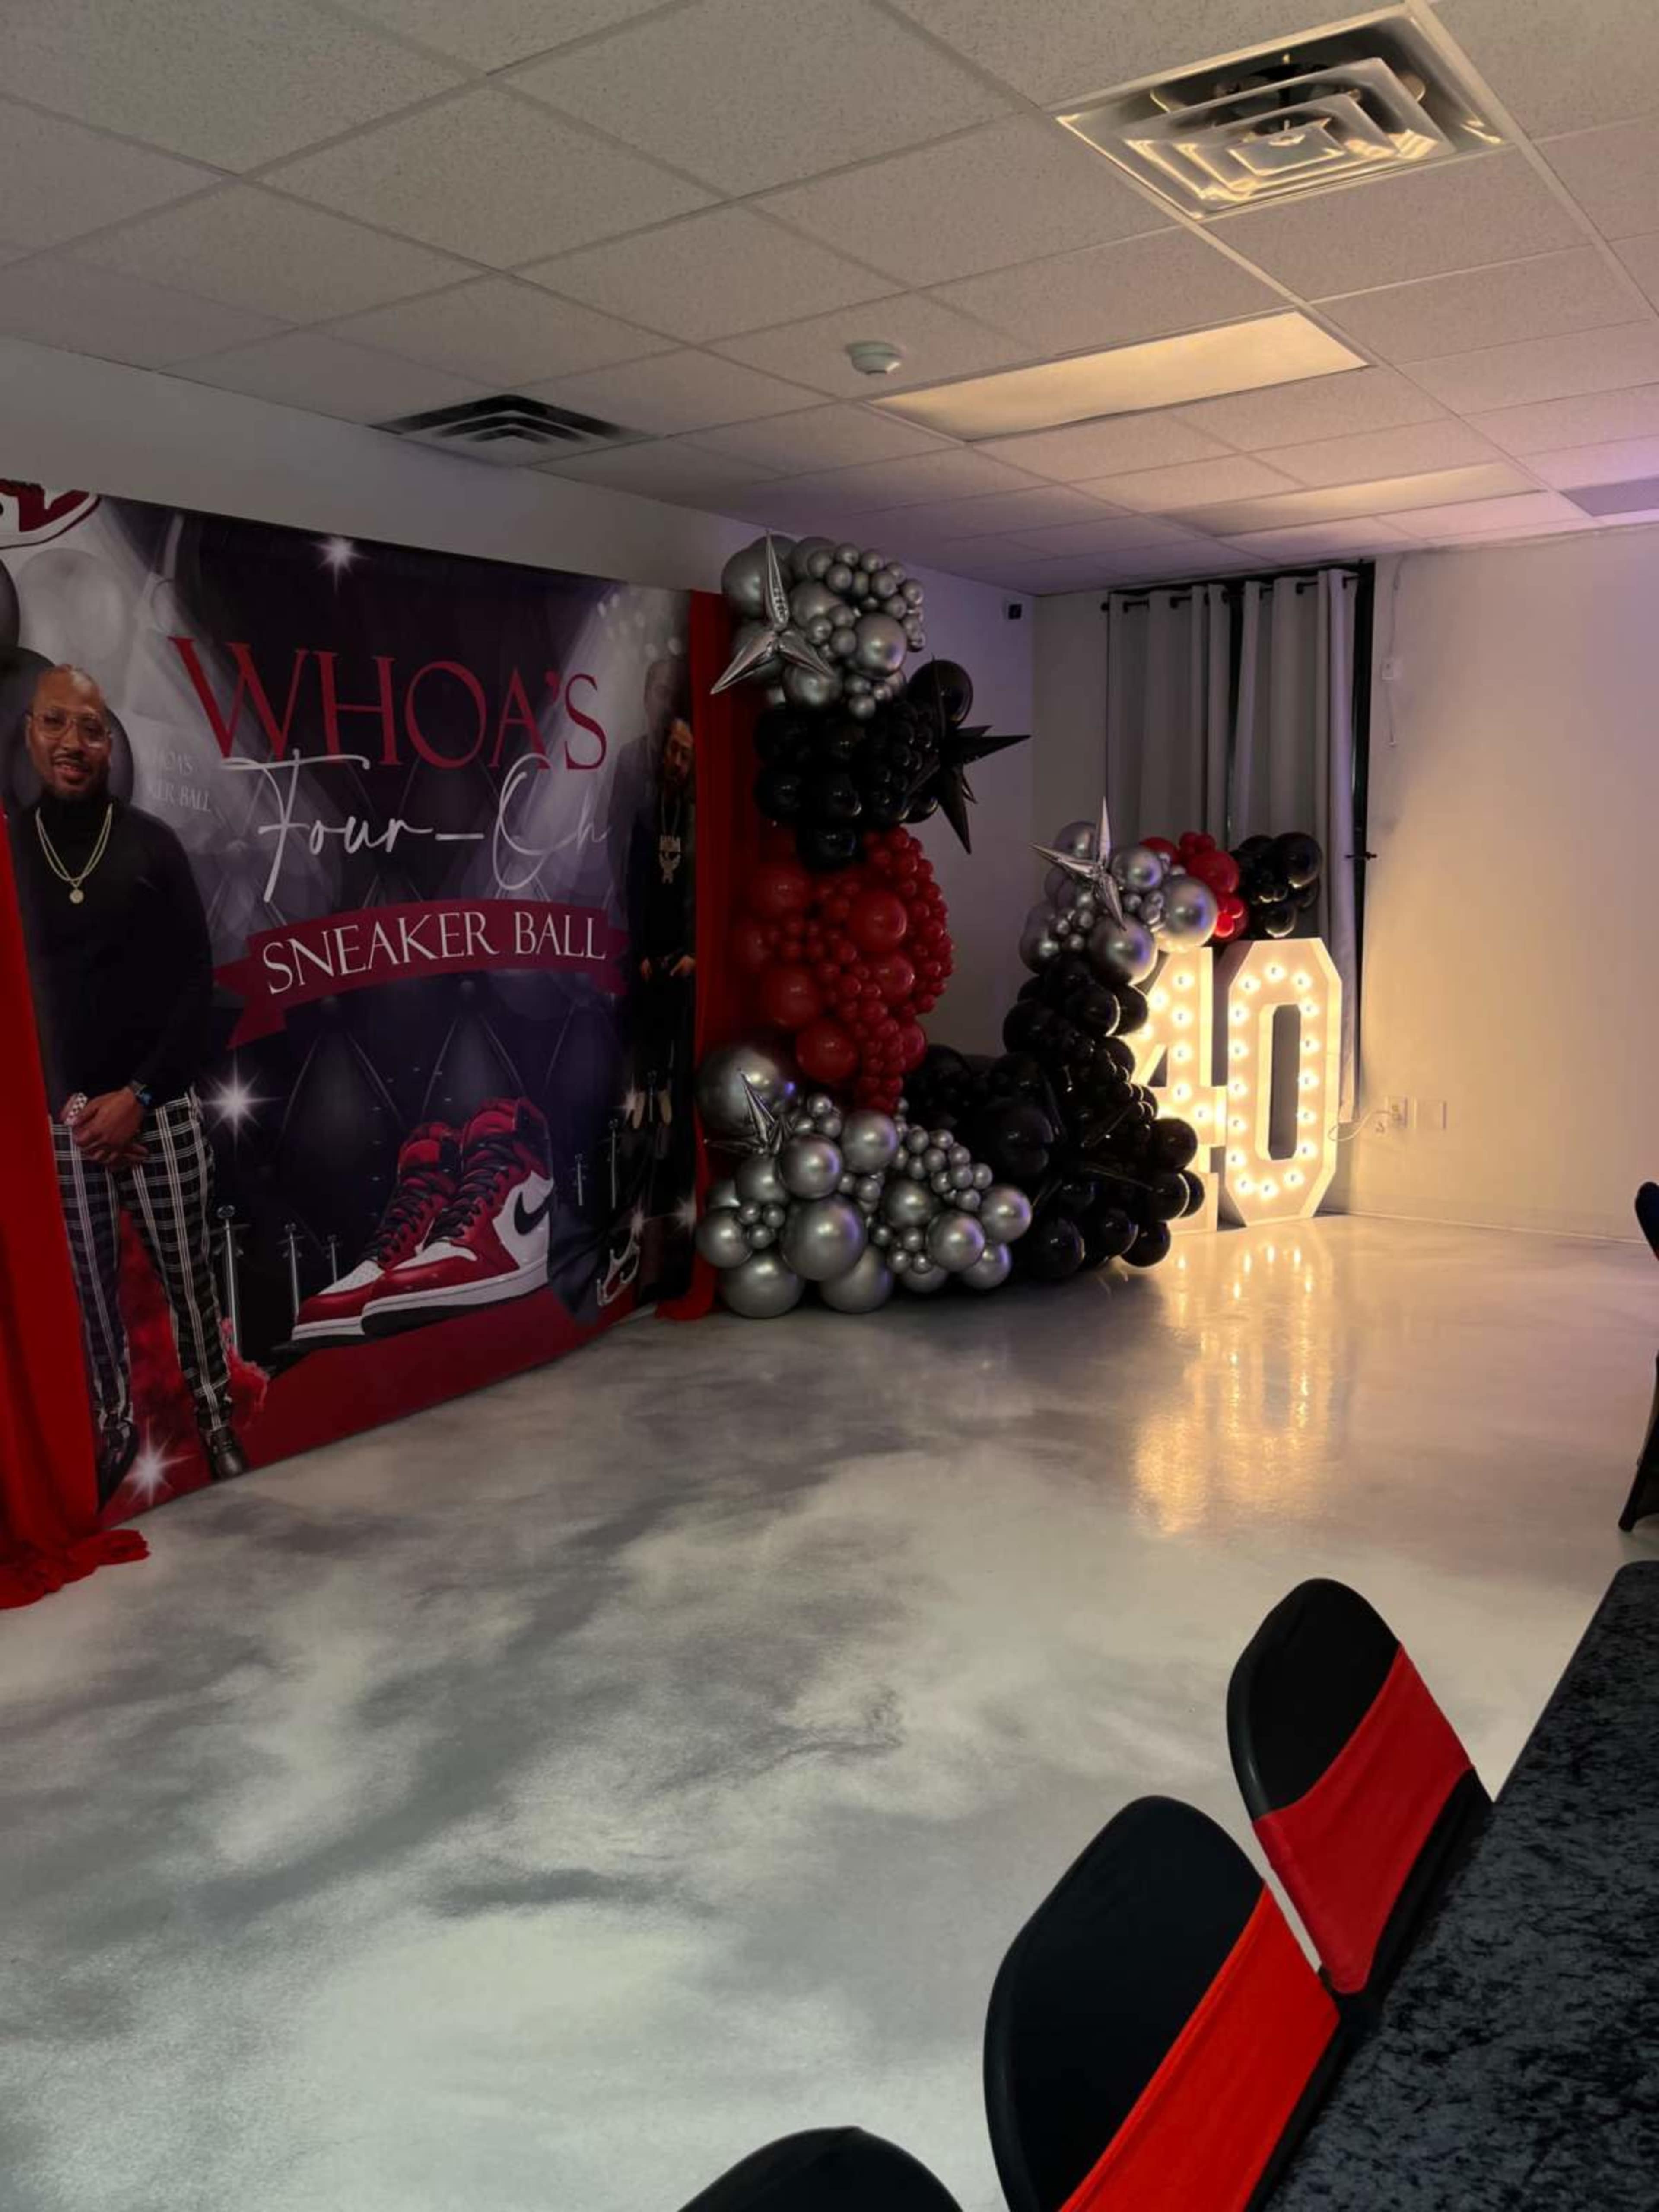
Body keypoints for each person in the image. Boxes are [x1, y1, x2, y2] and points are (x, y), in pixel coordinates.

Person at [8, 664, 246, 1498]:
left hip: (161, 1110)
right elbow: (16, 1007)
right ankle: (112, 1435)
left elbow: (196, 983)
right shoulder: (8, 853)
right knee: (90, 1295)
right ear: (29, 733)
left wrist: (136, 1098)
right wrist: (73, 1108)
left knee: (191, 1275)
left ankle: (215, 1415)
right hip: (63, 1123)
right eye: (55, 724)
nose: (73, 743)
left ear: (112, 743)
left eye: (91, 728)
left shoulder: (153, 843)